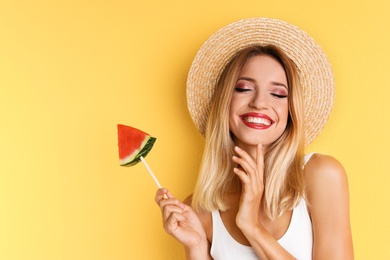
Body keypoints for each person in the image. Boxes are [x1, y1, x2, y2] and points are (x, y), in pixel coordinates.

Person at [155, 18, 353, 259]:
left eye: (278, 94)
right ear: (224, 102)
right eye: (244, 88)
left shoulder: (321, 175)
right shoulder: (200, 210)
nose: (260, 102)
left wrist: (252, 227)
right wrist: (196, 247)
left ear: (290, 111)